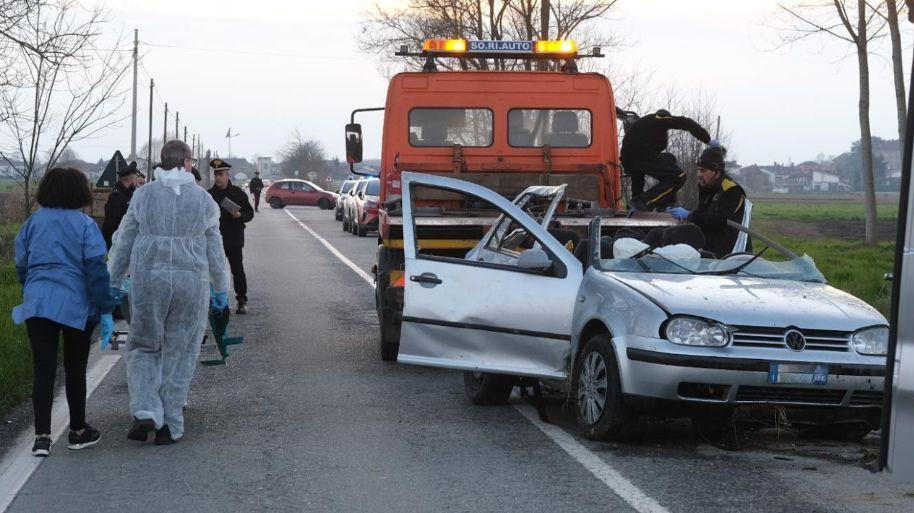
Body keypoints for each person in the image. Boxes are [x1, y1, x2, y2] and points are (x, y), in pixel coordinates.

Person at [107, 140, 230, 445]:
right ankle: (170, 424)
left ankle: (147, 409)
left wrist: (112, 282)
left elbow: (124, 241)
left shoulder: (143, 195)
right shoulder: (203, 201)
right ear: (188, 162)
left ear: (161, 162)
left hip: (149, 280)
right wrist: (221, 288)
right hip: (191, 282)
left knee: (143, 346)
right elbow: (215, 248)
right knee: (181, 350)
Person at [13, 167, 119, 457]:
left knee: (43, 370)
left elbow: (21, 262)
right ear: (79, 192)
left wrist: (31, 287)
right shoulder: (86, 225)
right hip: (75, 304)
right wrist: (106, 307)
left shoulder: (32, 223)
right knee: (75, 368)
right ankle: (78, 430)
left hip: (38, 302)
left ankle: (42, 437)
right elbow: (96, 271)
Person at [667, 144, 751, 258]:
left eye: (703, 171)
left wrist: (690, 215)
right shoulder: (709, 187)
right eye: (699, 170)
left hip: (728, 254)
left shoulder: (732, 190)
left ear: (716, 172)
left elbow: (718, 221)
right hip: (710, 248)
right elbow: (703, 213)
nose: (699, 174)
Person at [620, 109, 711, 211]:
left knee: (669, 158)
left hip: (630, 159)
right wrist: (708, 140)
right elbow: (686, 123)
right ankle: (644, 201)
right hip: (640, 157)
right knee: (678, 176)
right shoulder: (659, 119)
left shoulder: (646, 127)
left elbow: (638, 169)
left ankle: (638, 202)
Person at [207, 159, 254, 314]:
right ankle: (216, 301)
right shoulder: (208, 195)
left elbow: (250, 213)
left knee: (237, 269)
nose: (218, 177)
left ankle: (241, 299)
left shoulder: (238, 194)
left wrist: (239, 215)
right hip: (214, 240)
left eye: (221, 174)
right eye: (216, 174)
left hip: (233, 238)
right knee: (214, 271)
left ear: (228, 175)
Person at [101, 161, 140, 249]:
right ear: (130, 180)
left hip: (121, 240)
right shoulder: (116, 196)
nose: (137, 182)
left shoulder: (126, 194)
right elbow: (111, 224)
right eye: (135, 179)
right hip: (115, 243)